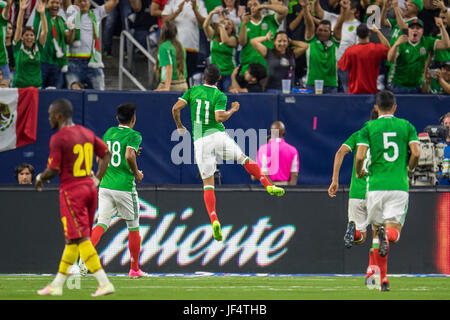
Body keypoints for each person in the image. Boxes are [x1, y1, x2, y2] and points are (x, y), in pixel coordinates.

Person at [171, 64, 285, 241]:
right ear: (218, 80)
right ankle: (267, 184)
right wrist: (232, 110)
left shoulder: (192, 91)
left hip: (200, 140)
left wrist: (179, 125)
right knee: (243, 158)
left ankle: (214, 219)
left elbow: (175, 108)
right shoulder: (219, 95)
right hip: (217, 134)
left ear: (203, 78)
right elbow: (219, 117)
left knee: (208, 184)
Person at [34, 98, 114, 297]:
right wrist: (97, 178)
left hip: (73, 191)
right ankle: (57, 284)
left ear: (59, 115)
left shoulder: (59, 138)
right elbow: (106, 153)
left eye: (50, 115)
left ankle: (104, 283)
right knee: (73, 240)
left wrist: (40, 177)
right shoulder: (86, 133)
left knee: (81, 239)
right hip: (89, 189)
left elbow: (53, 169)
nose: (49, 118)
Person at [355, 90, 421, 291]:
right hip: (398, 186)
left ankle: (378, 277)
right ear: (395, 107)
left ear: (376, 108)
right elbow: (417, 153)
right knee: (392, 233)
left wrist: (359, 172)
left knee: (376, 234)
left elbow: (359, 157)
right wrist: (409, 168)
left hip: (375, 187)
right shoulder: (407, 126)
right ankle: (380, 277)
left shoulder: (369, 127)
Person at [86, 102, 147, 278]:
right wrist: (136, 173)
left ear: (117, 118)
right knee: (133, 227)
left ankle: (83, 258)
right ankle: (134, 269)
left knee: (102, 223)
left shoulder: (109, 133)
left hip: (105, 185)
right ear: (133, 119)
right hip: (124, 187)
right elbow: (128, 155)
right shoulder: (134, 135)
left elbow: (101, 158)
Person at [328, 108, 378, 286]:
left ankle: (353, 230)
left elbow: (340, 152)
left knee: (361, 237)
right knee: (377, 235)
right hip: (377, 190)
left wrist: (335, 180)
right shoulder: (384, 138)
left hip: (356, 192)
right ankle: (372, 275)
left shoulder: (358, 135)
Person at [65, 0, 119, 90]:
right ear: (74, 3)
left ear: (90, 2)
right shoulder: (70, 14)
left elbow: (114, 1)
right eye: (79, 1)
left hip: (94, 63)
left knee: (99, 96)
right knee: (74, 96)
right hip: (73, 63)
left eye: (85, 1)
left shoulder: (96, 13)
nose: (83, 3)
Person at [387, 18, 449, 93]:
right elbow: (390, 59)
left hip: (416, 86)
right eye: (412, 28)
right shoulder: (401, 41)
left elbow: (446, 45)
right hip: (397, 85)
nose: (415, 30)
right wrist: (396, 45)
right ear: (408, 30)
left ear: (422, 31)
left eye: (418, 28)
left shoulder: (427, 41)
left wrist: (441, 26)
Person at [30, 0, 75, 89]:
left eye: (57, 3)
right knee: (38, 95)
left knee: (53, 97)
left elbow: (68, 40)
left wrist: (72, 30)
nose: (55, 5)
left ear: (60, 6)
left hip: (57, 64)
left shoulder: (61, 20)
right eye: (52, 2)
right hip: (40, 62)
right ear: (46, 4)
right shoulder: (41, 13)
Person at [238, 0, 288, 76]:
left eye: (255, 4)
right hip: (248, 67)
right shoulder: (244, 23)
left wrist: (265, 6)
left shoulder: (270, 19)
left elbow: (284, 11)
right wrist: (244, 24)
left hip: (268, 66)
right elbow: (242, 43)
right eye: (250, 5)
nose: (252, 7)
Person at [162, 0, 207, 81]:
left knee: (188, 76)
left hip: (192, 46)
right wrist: (178, 11)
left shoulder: (199, 2)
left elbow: (204, 23)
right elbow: (164, 20)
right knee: (174, 75)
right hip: (175, 46)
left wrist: (195, 9)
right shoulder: (172, 1)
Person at [338, 23, 390, 94]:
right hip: (371, 92)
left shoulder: (350, 51)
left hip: (354, 92)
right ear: (369, 34)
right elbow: (388, 49)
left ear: (357, 34)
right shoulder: (376, 49)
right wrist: (378, 32)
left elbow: (341, 68)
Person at [303, 0, 340, 93]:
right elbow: (309, 23)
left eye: (325, 30)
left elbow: (339, 25)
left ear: (331, 33)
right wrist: (305, 9)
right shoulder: (312, 40)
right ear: (316, 31)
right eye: (320, 30)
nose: (322, 33)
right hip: (312, 83)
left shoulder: (334, 41)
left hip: (331, 85)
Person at [12, 0, 47, 88]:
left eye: (31, 35)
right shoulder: (18, 47)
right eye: (26, 35)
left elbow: (45, 31)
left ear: (35, 38)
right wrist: (21, 10)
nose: (29, 37)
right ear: (22, 37)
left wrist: (42, 14)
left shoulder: (38, 47)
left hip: (37, 87)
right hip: (20, 88)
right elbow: (19, 28)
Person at [203, 7, 238, 92]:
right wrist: (211, 13)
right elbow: (205, 26)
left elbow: (225, 40)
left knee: (227, 98)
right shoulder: (213, 36)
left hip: (228, 73)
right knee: (215, 99)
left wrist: (220, 25)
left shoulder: (233, 39)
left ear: (233, 28)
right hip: (214, 74)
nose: (226, 25)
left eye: (229, 24)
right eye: (224, 23)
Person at [256, 121, 299, 186]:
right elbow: (294, 176)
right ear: (284, 133)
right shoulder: (293, 151)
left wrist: (274, 190)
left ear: (270, 132)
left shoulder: (263, 149)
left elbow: (264, 175)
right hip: (287, 190)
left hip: (268, 190)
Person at [154, 20, 188, 91]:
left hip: (171, 84)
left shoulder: (164, 47)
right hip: (183, 84)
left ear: (163, 32)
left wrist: (166, 87)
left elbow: (169, 67)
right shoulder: (180, 45)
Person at [0, 0, 13, 81]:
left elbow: (6, 6)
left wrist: (8, 4)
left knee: (6, 90)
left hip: (3, 62)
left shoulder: (2, 21)